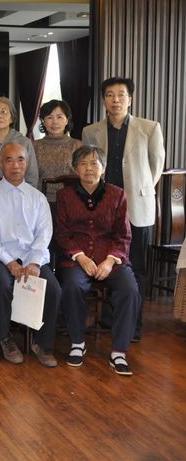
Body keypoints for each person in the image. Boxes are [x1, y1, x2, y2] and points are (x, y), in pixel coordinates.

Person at [82, 77, 165, 341]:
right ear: (103, 100)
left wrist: (139, 190)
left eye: (121, 94)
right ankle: (108, 318)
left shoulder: (149, 128)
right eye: (109, 95)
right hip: (102, 208)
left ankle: (133, 325)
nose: (115, 99)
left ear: (130, 99)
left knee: (136, 267)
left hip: (136, 208)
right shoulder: (91, 131)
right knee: (104, 262)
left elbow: (156, 167)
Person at [56, 145, 138, 376]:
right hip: (76, 259)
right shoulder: (65, 196)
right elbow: (62, 233)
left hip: (111, 258)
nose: (89, 168)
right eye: (83, 164)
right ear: (75, 168)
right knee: (72, 286)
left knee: (129, 289)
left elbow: (124, 235)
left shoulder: (117, 194)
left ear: (103, 168)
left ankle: (119, 351)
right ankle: (77, 342)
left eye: (94, 163)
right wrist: (80, 256)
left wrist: (110, 261)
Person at [0, 142, 60, 367]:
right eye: (9, 160)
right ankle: (5, 338)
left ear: (27, 163)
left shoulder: (38, 198)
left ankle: (42, 344)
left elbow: (44, 234)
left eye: (20, 160)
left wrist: (35, 263)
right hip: (0, 257)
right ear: (1, 164)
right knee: (2, 284)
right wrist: (9, 262)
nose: (15, 165)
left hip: (31, 257)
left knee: (53, 289)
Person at [0, 96, 39, 187]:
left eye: (3, 112)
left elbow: (32, 176)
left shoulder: (24, 142)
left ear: (11, 118)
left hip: (18, 194)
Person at [33, 99, 81, 203]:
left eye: (59, 117)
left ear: (67, 120)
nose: (55, 122)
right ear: (43, 121)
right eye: (49, 117)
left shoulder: (77, 146)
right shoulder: (34, 146)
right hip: (40, 201)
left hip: (71, 201)